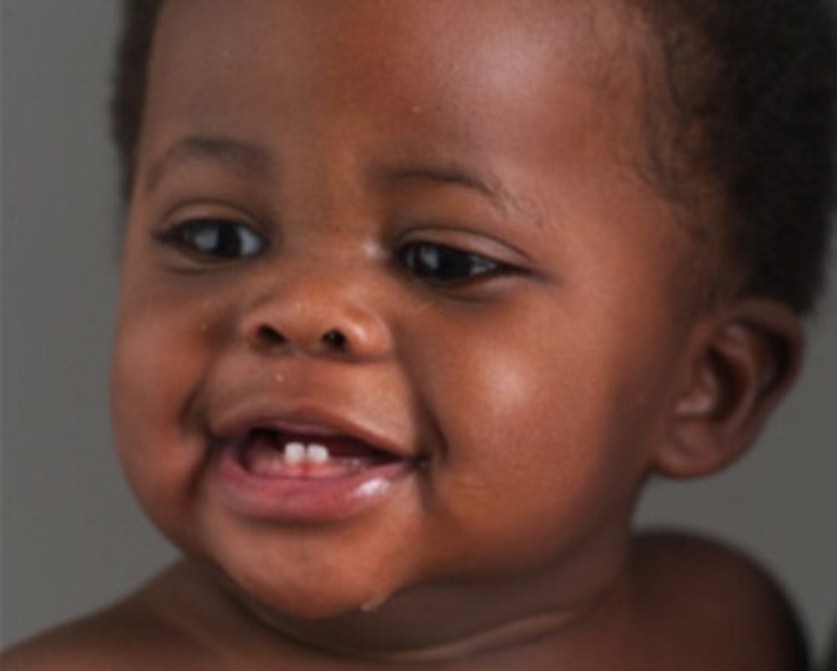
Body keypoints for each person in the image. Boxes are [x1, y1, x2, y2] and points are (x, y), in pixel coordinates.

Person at [3, 0, 834, 668]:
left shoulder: (722, 622)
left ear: (707, 388)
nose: (301, 308)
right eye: (216, 237)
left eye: (442, 260)